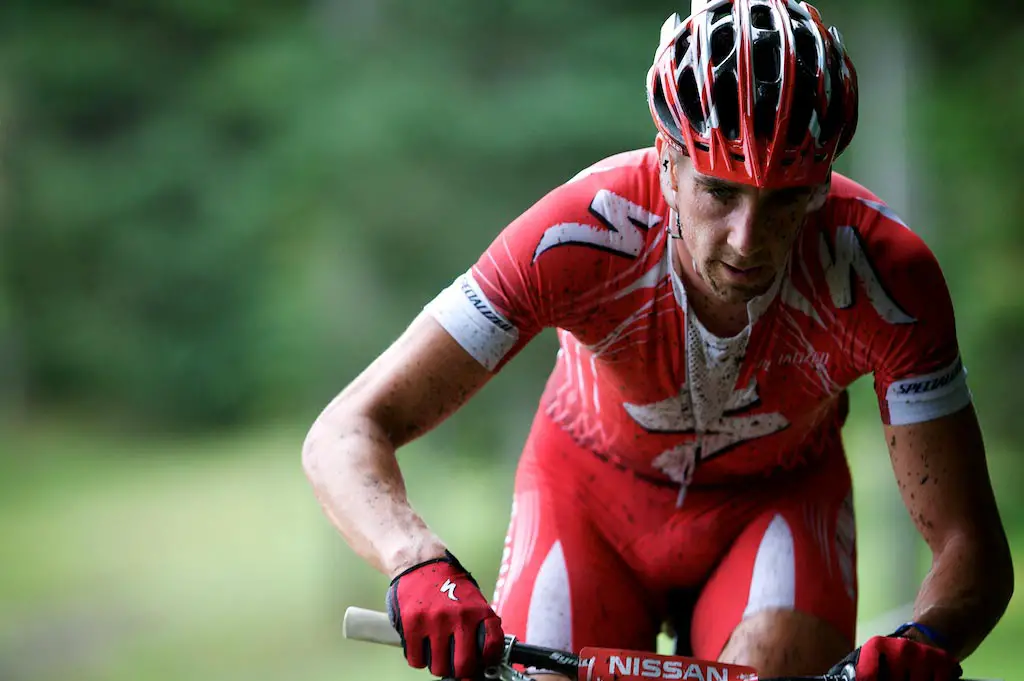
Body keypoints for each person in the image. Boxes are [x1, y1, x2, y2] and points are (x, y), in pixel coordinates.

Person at [302, 2, 1013, 680]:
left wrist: (926, 639)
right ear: (666, 159)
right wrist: (416, 560)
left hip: (778, 507)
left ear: (824, 181)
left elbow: (970, 549)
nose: (747, 238)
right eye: (720, 190)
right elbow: (345, 431)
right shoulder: (576, 234)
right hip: (585, 498)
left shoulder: (887, 276)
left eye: (787, 198)